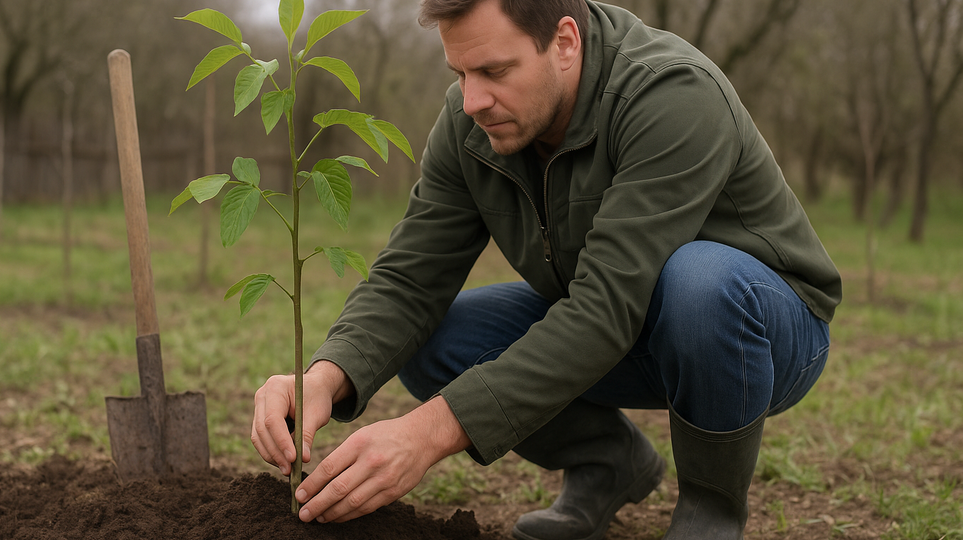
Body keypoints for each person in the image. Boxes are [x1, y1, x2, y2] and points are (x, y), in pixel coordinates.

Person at [250, 0, 842, 538]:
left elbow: (605, 308)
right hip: (619, 325)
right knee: (437, 339)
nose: (472, 99)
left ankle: (709, 513)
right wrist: (327, 375)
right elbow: (412, 276)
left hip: (760, 331)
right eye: (460, 74)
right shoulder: (470, 121)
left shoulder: (671, 94)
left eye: (494, 72)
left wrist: (426, 433)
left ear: (564, 42)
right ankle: (607, 463)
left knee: (698, 281)